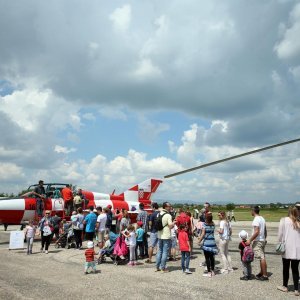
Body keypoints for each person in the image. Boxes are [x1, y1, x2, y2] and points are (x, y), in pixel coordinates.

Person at [277, 206, 300, 296]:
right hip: (297, 249)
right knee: (295, 269)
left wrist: (279, 242)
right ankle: (296, 290)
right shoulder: (298, 222)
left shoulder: (283, 220)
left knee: (286, 268)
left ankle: (285, 286)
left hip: (287, 248)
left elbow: (280, 234)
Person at [246, 206, 268, 281]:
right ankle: (262, 272)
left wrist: (250, 240)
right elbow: (265, 230)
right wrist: (265, 238)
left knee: (261, 258)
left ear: (253, 211)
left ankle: (265, 275)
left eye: (251, 211)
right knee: (262, 257)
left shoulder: (256, 219)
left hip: (258, 241)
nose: (250, 212)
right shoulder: (262, 218)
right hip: (262, 240)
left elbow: (256, 231)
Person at [156, 202, 174, 273]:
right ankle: (163, 268)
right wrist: (173, 223)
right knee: (165, 252)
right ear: (165, 207)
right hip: (166, 235)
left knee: (159, 251)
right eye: (169, 206)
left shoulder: (158, 214)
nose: (170, 207)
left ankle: (157, 267)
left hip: (159, 235)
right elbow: (170, 226)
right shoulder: (168, 215)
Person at [198, 212, 218, 277]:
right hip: (213, 242)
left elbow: (203, 234)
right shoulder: (213, 224)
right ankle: (212, 271)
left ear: (206, 218)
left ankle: (209, 272)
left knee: (207, 258)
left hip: (207, 243)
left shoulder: (204, 224)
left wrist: (199, 241)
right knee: (212, 258)